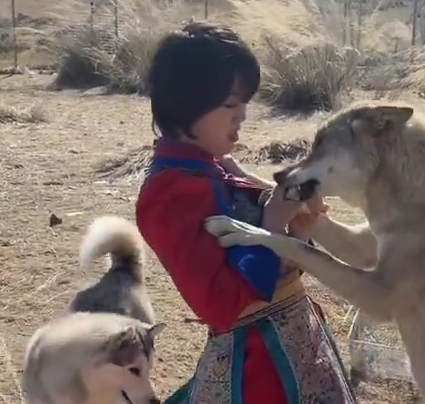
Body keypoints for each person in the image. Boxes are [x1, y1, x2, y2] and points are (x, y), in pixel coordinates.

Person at [135, 21, 357, 404]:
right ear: (189, 103)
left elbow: (274, 273)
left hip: (296, 347)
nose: (242, 119)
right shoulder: (168, 195)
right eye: (230, 106)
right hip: (258, 370)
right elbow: (222, 305)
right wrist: (271, 222)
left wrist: (297, 234)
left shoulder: (213, 169)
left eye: (244, 106)